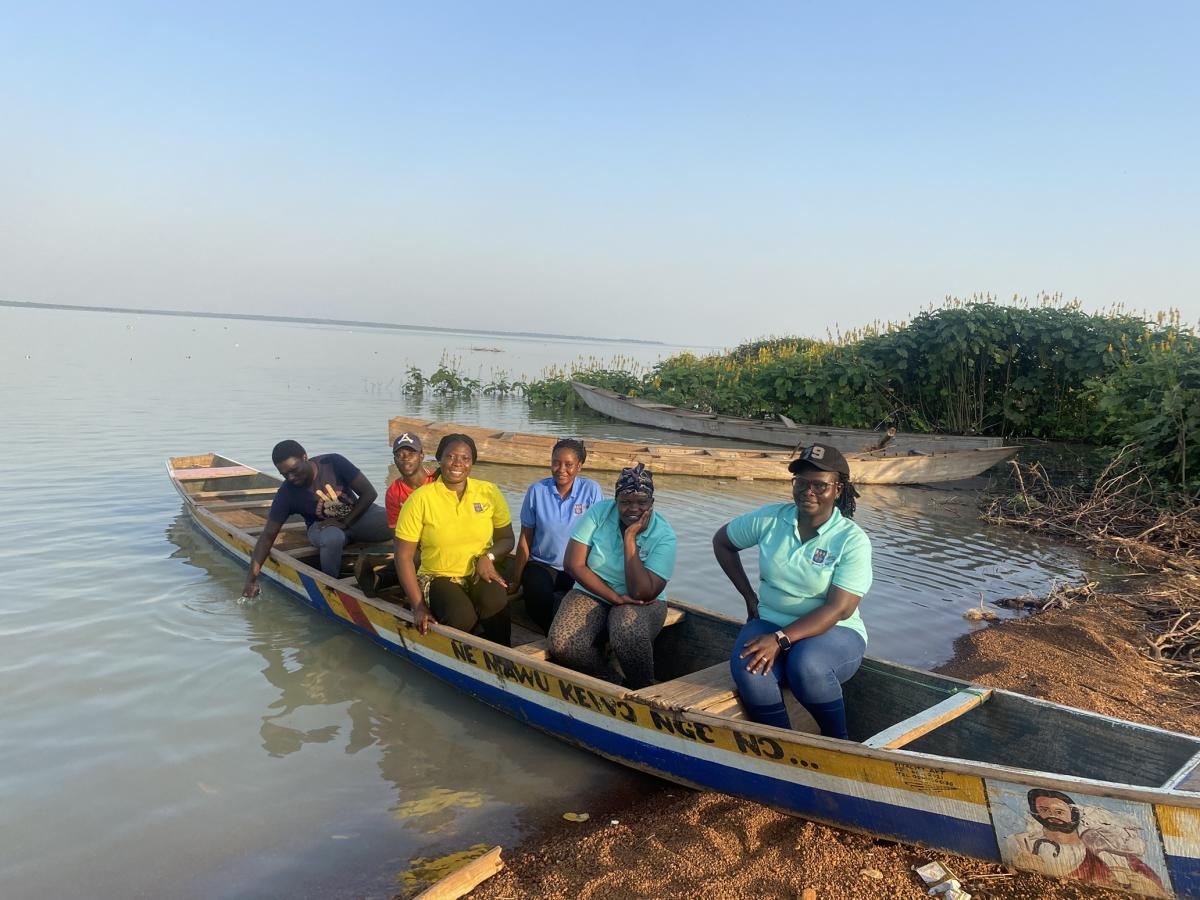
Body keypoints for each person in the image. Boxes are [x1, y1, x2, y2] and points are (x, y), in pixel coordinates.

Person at [712, 443, 872, 740]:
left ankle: (839, 742)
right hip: (771, 620)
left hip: (834, 632)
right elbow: (722, 542)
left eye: (819, 485)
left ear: (838, 490)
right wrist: (749, 597)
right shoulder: (771, 519)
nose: (807, 491)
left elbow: (839, 609)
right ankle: (783, 745)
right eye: (800, 482)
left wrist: (780, 640)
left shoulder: (851, 540)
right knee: (751, 668)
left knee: (807, 665)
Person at [551, 463, 676, 689]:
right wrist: (615, 598)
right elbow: (573, 564)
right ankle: (612, 681)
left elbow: (641, 592)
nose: (634, 509)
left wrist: (630, 538)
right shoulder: (600, 512)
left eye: (642, 502)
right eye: (626, 502)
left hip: (643, 602)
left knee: (627, 631)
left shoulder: (664, 534)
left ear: (652, 503)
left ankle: (643, 689)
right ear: (616, 501)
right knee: (563, 644)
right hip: (593, 590)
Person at [393, 434, 515, 645]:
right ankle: (461, 644)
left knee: (496, 600)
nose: (458, 463)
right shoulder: (420, 499)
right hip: (438, 576)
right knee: (461, 617)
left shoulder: (488, 492)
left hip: (479, 570)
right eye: (450, 456)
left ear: (472, 462)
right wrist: (418, 606)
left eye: (465, 458)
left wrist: (489, 557)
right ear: (439, 459)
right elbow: (403, 557)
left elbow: (507, 538)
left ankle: (501, 650)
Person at [242, 440, 392, 597]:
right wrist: (250, 580)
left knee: (402, 523)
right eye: (285, 475)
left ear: (305, 457)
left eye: (294, 470)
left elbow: (369, 493)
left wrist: (346, 522)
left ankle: (392, 576)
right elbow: (267, 536)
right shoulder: (286, 494)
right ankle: (331, 589)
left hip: (357, 516)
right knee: (333, 538)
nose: (291, 477)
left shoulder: (333, 463)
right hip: (322, 527)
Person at [510, 438, 603, 633]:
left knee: (589, 605)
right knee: (537, 600)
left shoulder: (591, 490)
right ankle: (553, 636)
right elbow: (525, 538)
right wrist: (517, 579)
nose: (561, 469)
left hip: (577, 566)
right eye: (556, 463)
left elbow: (600, 535)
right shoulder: (537, 491)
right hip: (542, 564)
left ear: (579, 466)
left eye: (568, 465)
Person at [1007, 789, 1165, 895]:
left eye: (1059, 811)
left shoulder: (1109, 851)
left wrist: (1150, 889)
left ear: (1074, 814)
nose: (1052, 815)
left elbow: (1156, 887)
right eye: (1044, 810)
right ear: (1036, 813)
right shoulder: (1023, 843)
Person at [385, 432, 435, 529]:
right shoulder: (393, 492)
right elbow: (396, 531)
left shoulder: (437, 480)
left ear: (421, 456)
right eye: (400, 455)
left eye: (411, 454)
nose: (406, 458)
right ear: (395, 460)